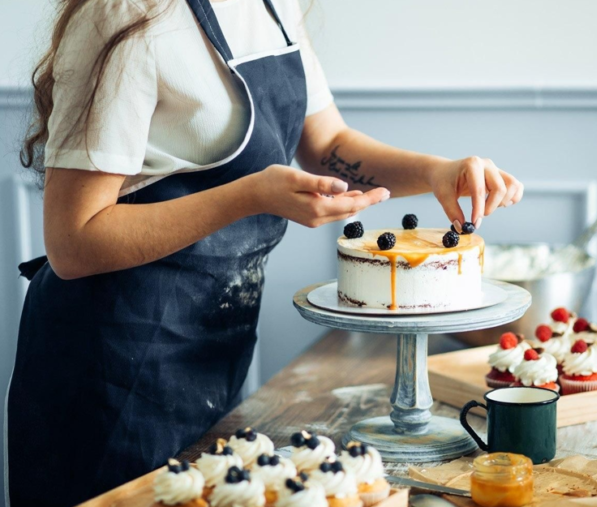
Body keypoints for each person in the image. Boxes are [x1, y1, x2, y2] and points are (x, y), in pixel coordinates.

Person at [5, 0, 524, 505]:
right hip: (106, 364)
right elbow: (73, 241)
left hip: (211, 348)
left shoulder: (273, 5)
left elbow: (326, 144)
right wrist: (249, 194)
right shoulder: (120, 14)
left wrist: (436, 171)